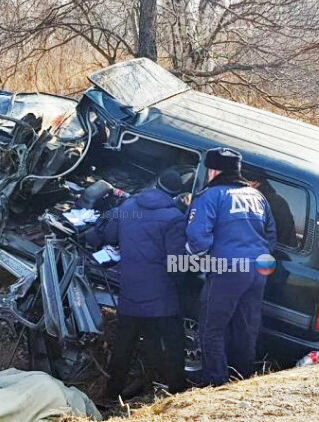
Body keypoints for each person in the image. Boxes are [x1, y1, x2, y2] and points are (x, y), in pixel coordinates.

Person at [186, 147, 277, 386]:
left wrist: (193, 257)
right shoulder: (257, 196)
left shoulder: (210, 196)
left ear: (214, 171)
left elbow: (197, 238)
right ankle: (242, 381)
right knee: (246, 328)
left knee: (211, 330)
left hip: (228, 269)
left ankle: (216, 385)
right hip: (258, 270)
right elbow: (270, 235)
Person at [102, 169, 188, 399]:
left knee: (124, 345)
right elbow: (176, 262)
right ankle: (179, 393)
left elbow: (110, 236)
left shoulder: (129, 207)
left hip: (130, 291)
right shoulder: (174, 218)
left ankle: (111, 396)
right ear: (176, 194)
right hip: (161, 298)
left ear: (156, 184)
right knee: (173, 343)